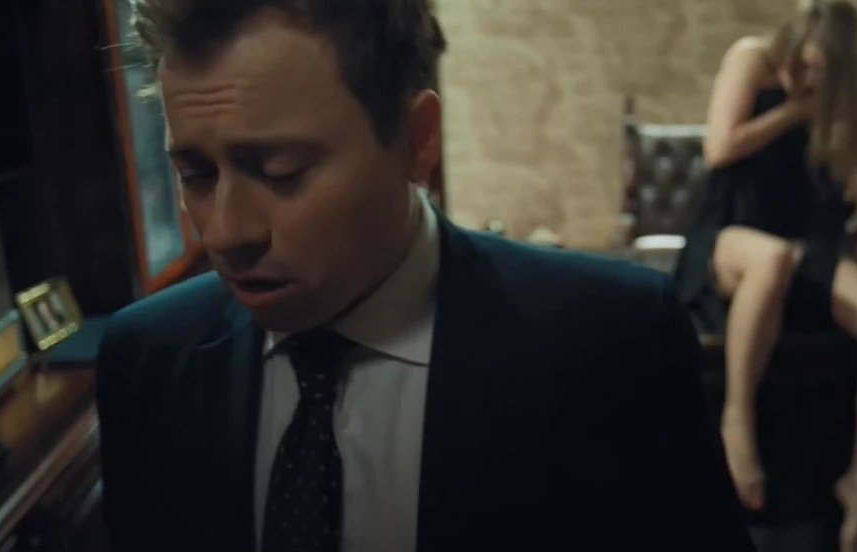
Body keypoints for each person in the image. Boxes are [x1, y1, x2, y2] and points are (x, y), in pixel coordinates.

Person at [96, 1, 756, 552]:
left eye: (280, 172)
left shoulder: (615, 341)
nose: (224, 232)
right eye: (196, 175)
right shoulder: (146, 361)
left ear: (418, 140)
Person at [672, 2, 857, 551]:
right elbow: (719, 150)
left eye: (824, 73)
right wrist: (796, 112)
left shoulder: (846, 82)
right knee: (772, 261)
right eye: (805, 65)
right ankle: (737, 423)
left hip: (803, 239)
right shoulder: (751, 58)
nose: (811, 79)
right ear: (790, 43)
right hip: (731, 233)